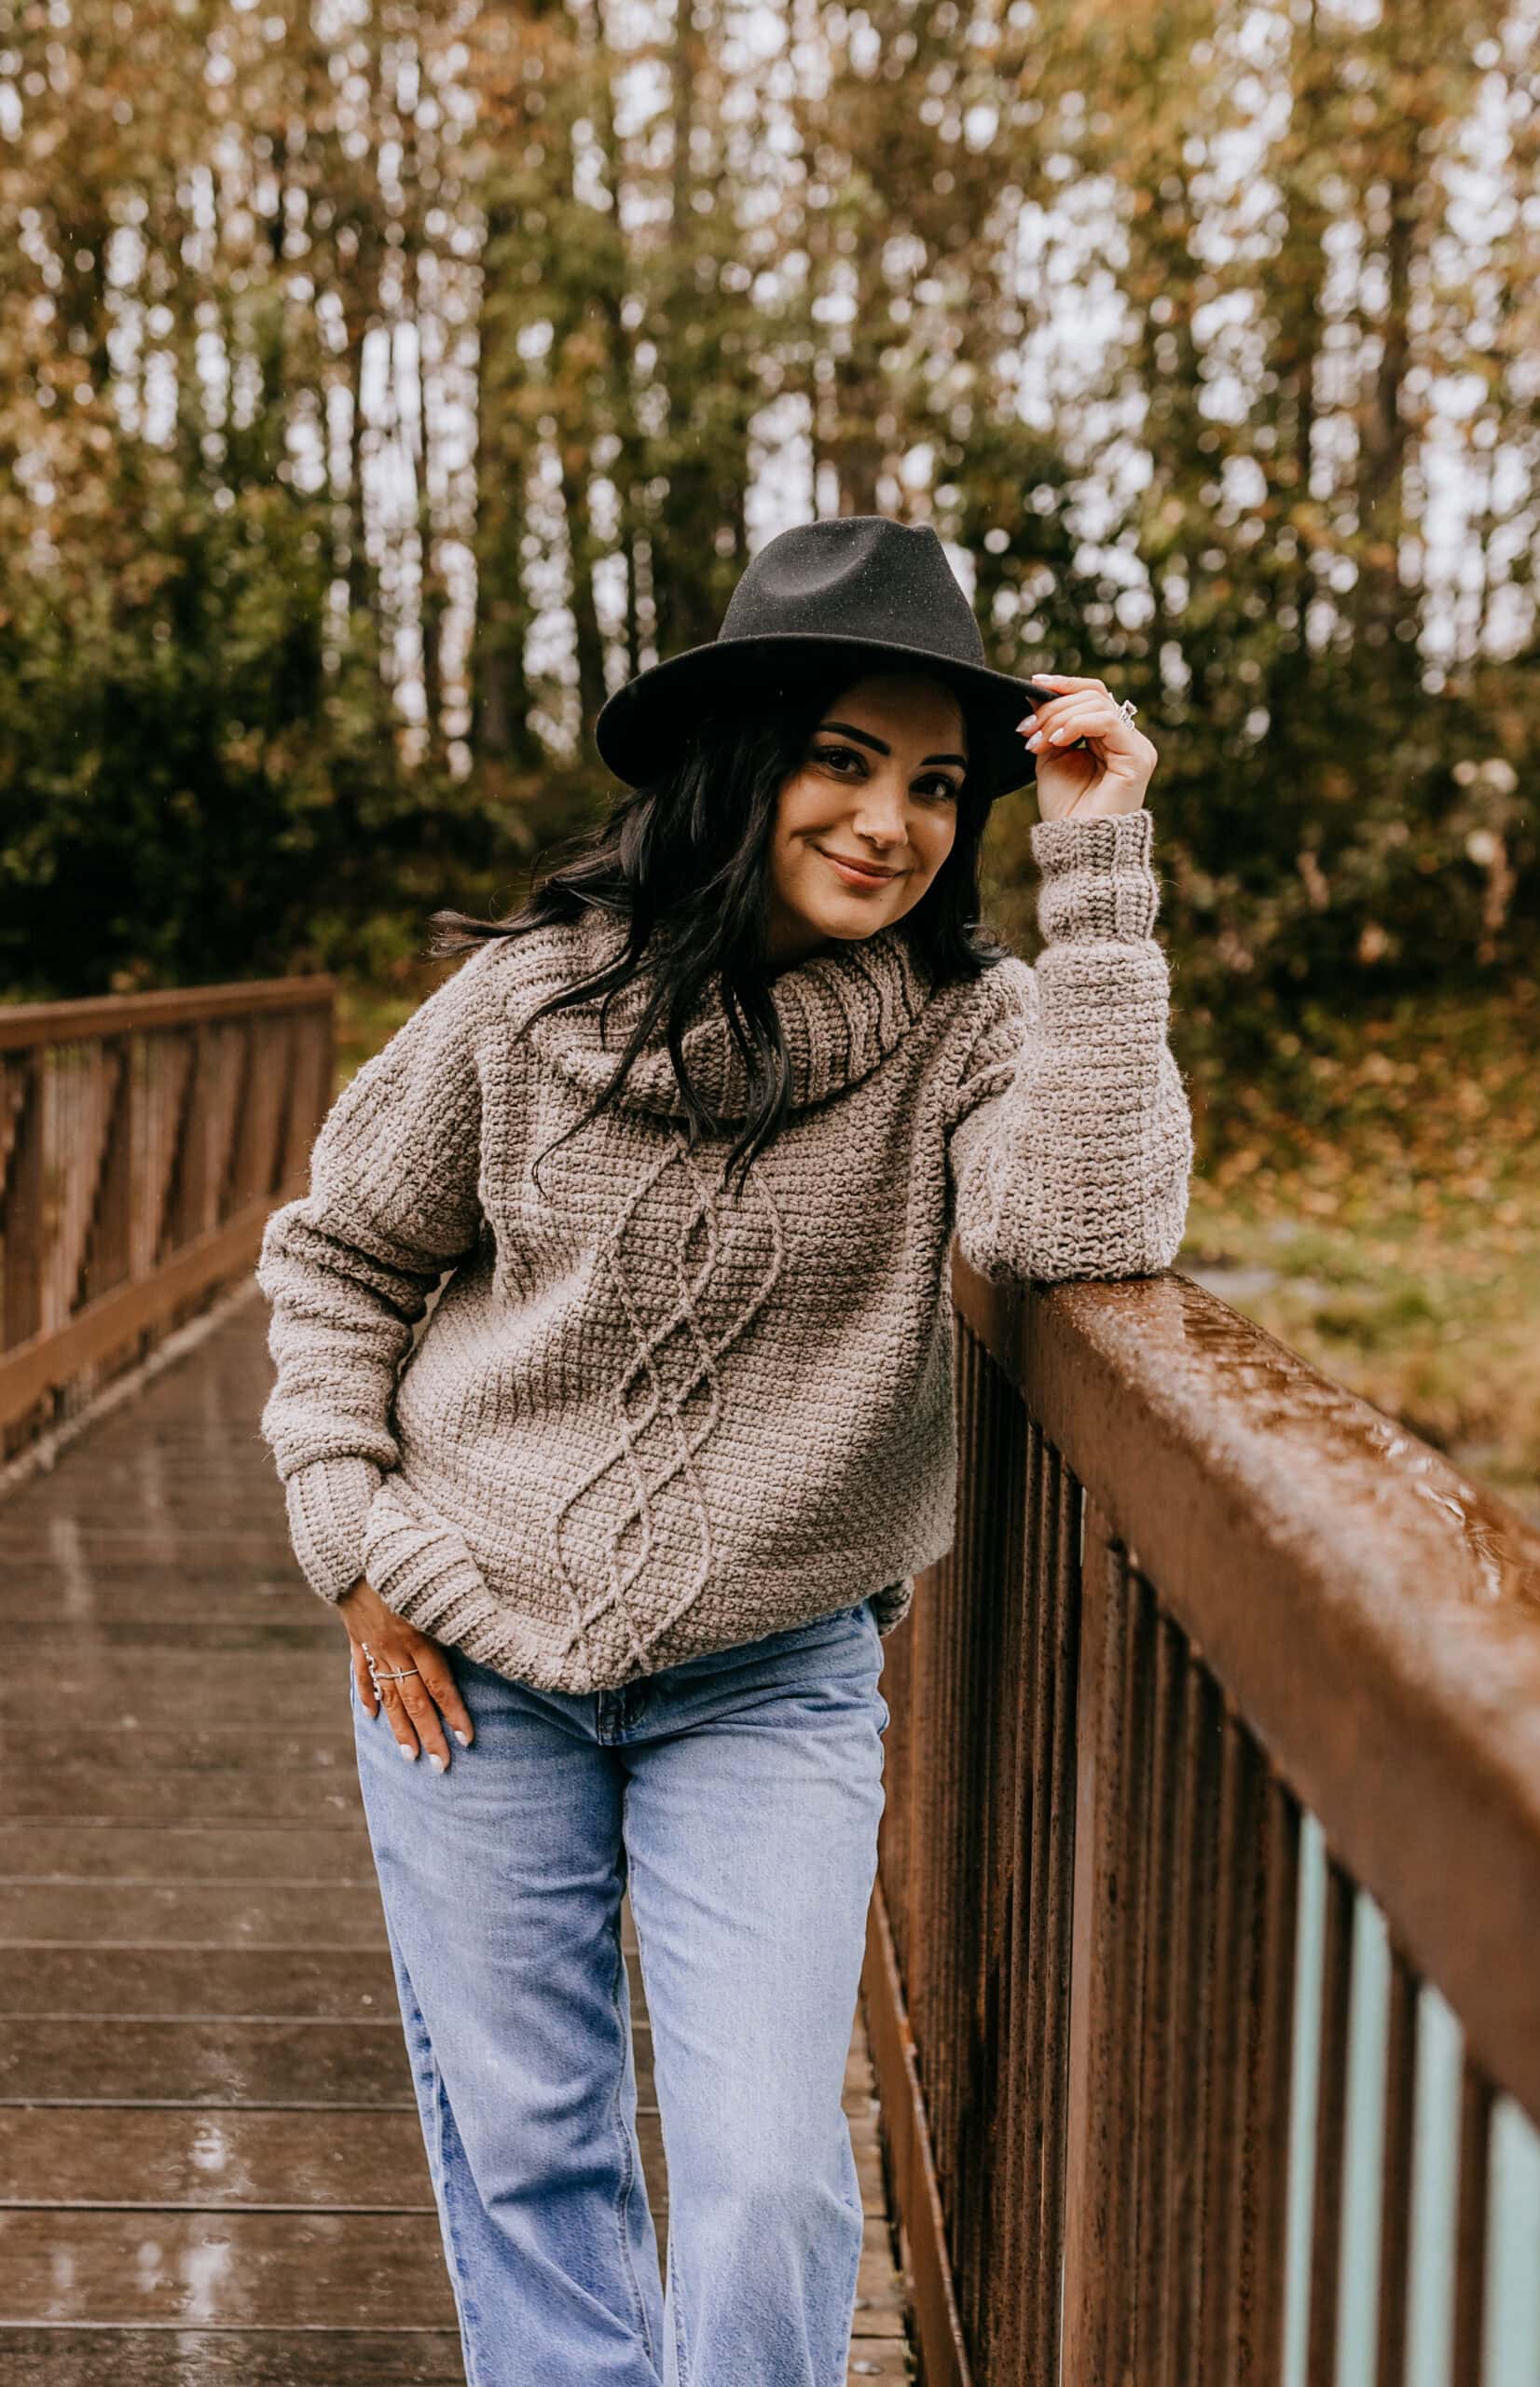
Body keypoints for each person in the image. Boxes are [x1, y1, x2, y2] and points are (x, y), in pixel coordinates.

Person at [254, 514, 1193, 2386]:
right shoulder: (522, 1003)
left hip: (762, 1677)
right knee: (530, 2156)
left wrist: (1096, 866)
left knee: (765, 2175)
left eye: (937, 783)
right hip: (464, 1646)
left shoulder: (968, 1025)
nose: (888, 819)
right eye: (839, 759)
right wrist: (346, 1539)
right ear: (739, 761)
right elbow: (341, 1252)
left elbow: (1087, 1227)